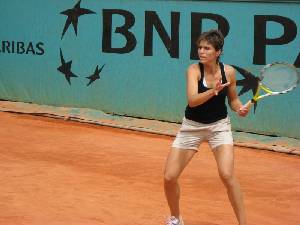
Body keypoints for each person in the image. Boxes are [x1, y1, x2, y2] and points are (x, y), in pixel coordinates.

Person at [163, 29, 250, 225]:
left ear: (218, 52)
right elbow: (193, 101)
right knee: (169, 177)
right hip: (191, 127)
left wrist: (239, 109)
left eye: (207, 48)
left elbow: (233, 100)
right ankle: (176, 218)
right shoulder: (193, 70)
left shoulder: (229, 72)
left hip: (219, 127)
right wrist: (213, 91)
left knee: (227, 174)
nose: (201, 51)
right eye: (200, 47)